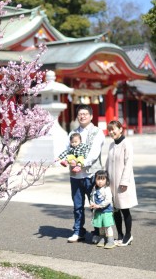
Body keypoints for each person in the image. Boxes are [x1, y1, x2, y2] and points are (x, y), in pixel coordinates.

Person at [66, 104, 105, 243]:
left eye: (85, 114)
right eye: (80, 114)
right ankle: (78, 231)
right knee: (77, 206)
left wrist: (81, 163)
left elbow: (95, 153)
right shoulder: (72, 133)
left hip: (92, 174)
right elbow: (68, 150)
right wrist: (68, 161)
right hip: (75, 176)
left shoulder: (98, 132)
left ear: (91, 116)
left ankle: (98, 232)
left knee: (94, 205)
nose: (82, 116)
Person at [105, 120, 138, 247]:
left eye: (114, 129)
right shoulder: (111, 145)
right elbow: (108, 163)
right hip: (112, 183)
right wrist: (105, 179)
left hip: (123, 183)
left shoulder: (126, 144)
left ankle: (128, 235)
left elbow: (128, 164)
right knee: (115, 210)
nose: (111, 132)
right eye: (110, 130)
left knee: (125, 209)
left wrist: (124, 181)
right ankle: (120, 235)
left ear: (120, 129)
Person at [90, 170, 115, 249]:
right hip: (98, 211)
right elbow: (92, 197)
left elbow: (108, 200)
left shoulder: (106, 189)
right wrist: (92, 204)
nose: (100, 181)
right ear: (95, 179)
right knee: (100, 226)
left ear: (106, 180)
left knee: (107, 226)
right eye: (98, 179)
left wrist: (99, 205)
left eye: (103, 179)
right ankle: (102, 239)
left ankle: (110, 241)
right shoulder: (94, 188)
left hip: (106, 211)